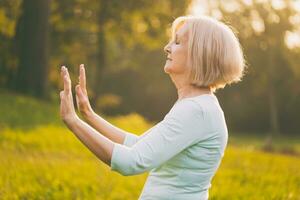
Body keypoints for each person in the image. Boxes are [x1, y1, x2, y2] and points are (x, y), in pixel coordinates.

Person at [59, 15, 245, 200]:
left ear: (199, 54)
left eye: (178, 42)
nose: (167, 47)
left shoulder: (197, 111)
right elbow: (139, 145)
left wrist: (73, 121)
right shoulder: (197, 106)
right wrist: (88, 115)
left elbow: (131, 162)